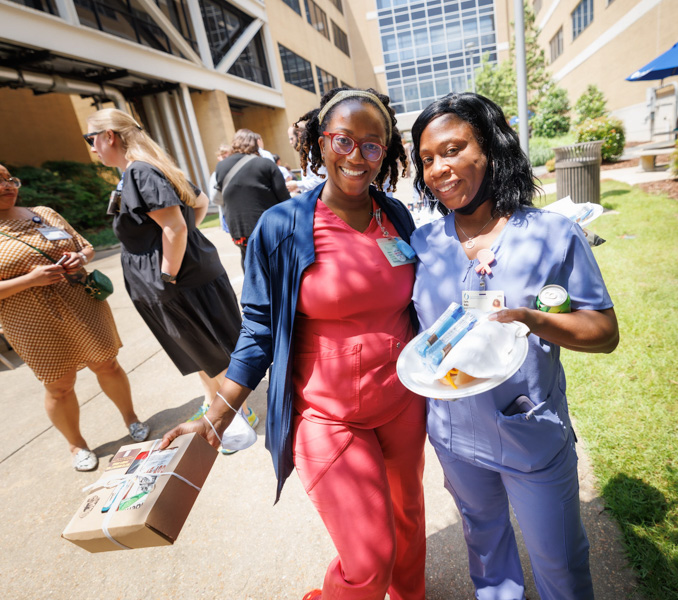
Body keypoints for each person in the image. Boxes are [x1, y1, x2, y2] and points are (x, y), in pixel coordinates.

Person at [160, 88, 424, 600]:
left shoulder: (395, 217)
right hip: (327, 414)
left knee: (408, 519)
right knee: (369, 558)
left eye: (374, 145)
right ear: (319, 142)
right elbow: (258, 328)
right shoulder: (282, 226)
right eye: (343, 140)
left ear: (388, 153)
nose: (357, 156)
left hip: (402, 403)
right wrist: (216, 413)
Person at [409, 93, 619, 600]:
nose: (439, 168)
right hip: (455, 439)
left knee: (561, 565)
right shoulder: (423, 244)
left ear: (492, 148)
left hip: (530, 435)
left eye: (454, 149)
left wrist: (532, 319)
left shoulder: (551, 234)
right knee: (486, 557)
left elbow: (604, 332)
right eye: (427, 158)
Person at [84, 109, 257, 444]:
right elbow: (200, 202)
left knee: (211, 348)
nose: (92, 147)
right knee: (197, 349)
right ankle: (213, 403)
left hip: (179, 282)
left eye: (91, 138)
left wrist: (167, 273)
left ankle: (237, 410)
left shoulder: (140, 172)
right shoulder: (145, 170)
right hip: (180, 279)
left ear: (109, 136)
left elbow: (176, 225)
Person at [0, 163, 149, 471]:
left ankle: (132, 419)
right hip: (30, 320)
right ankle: (76, 445)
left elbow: (86, 247)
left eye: (9, 179)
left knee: (107, 363)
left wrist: (79, 258)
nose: (8, 186)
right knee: (59, 384)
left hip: (81, 302)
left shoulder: (43, 212)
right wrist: (30, 279)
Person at [214, 129, 290, 271]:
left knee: (249, 262)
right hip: (267, 227)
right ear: (255, 144)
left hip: (239, 229)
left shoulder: (221, 166)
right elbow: (284, 198)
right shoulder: (266, 164)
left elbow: (219, 197)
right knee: (276, 266)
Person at [209, 143, 232, 234]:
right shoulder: (216, 175)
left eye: (229, 156)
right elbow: (215, 199)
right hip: (228, 213)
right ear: (219, 158)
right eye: (224, 157)